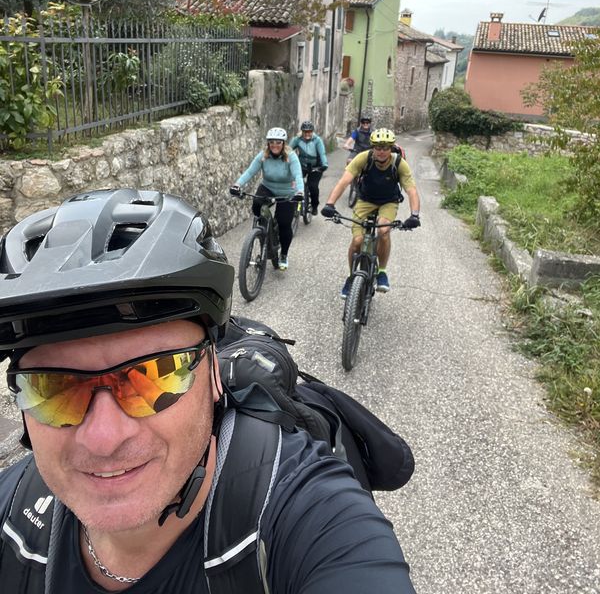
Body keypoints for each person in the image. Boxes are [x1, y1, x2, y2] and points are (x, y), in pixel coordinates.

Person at [0, 188, 416, 593]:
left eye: (157, 374)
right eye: (52, 388)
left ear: (215, 374)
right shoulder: (11, 513)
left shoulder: (307, 512)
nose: (104, 438)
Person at [321, 128, 421, 297]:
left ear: (391, 148)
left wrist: (415, 215)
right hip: (365, 200)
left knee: (383, 230)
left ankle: (381, 272)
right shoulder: (364, 158)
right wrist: (330, 204)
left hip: (388, 201)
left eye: (385, 147)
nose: (381, 151)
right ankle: (352, 277)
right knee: (357, 241)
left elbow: (411, 190)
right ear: (373, 147)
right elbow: (344, 181)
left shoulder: (399, 163)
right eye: (378, 147)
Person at [230, 127, 303, 271]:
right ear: (268, 143)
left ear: (283, 143)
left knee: (284, 223)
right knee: (257, 203)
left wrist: (300, 191)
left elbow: (298, 175)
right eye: (271, 142)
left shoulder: (291, 156)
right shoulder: (263, 156)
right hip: (267, 187)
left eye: (278, 142)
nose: (274, 145)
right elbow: (250, 172)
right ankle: (261, 231)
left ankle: (283, 254)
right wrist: (237, 185)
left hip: (287, 192)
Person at [289, 120, 329, 215]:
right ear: (302, 131)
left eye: (309, 132)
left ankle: (314, 206)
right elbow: (288, 150)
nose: (307, 134)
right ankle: (293, 203)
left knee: (313, 186)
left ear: (312, 131)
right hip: (301, 165)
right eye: (305, 132)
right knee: (294, 184)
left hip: (316, 167)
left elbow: (322, 154)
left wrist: (324, 165)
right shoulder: (297, 139)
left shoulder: (317, 140)